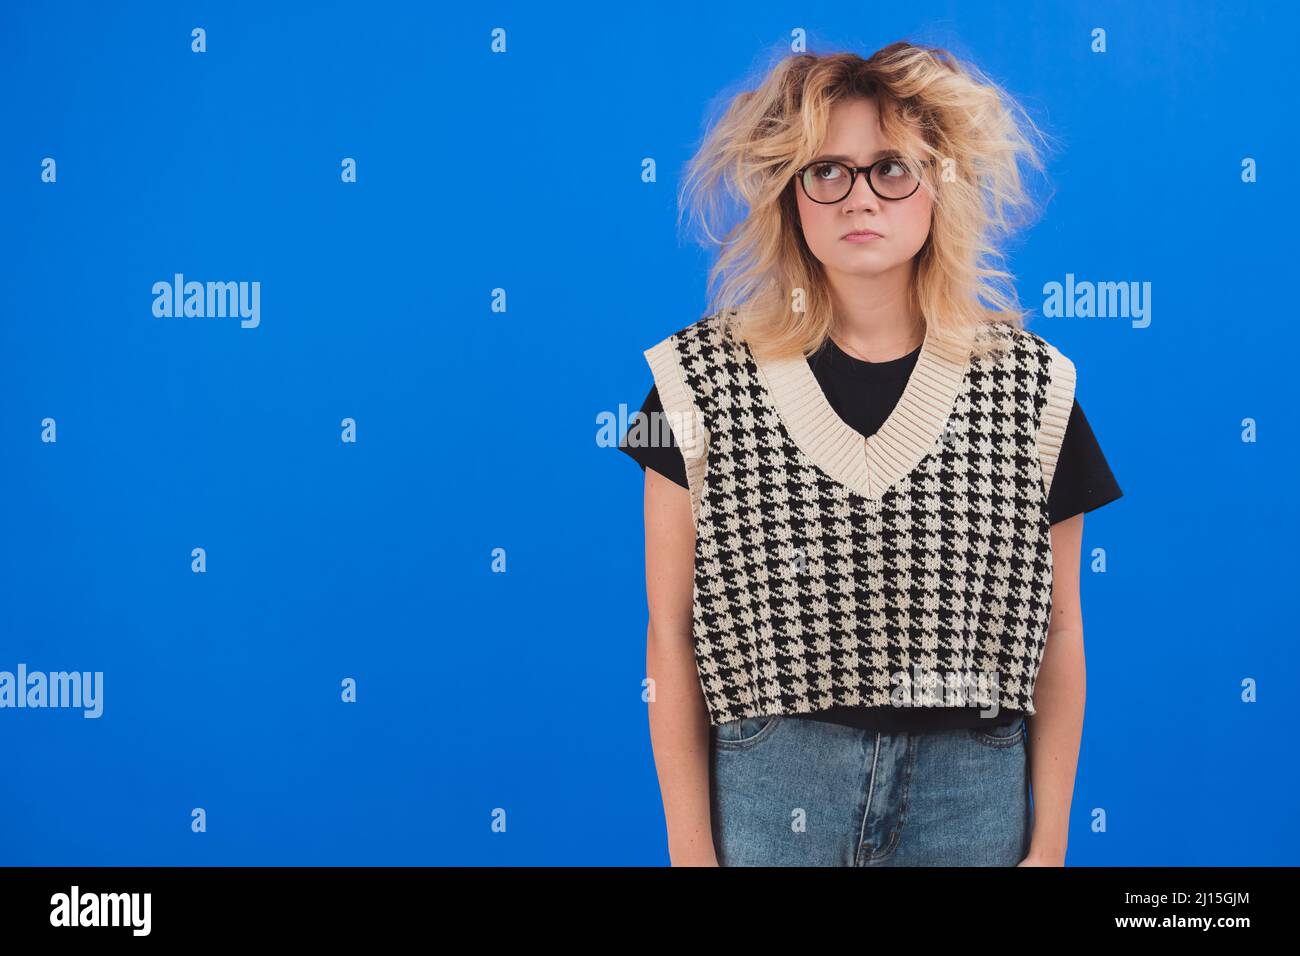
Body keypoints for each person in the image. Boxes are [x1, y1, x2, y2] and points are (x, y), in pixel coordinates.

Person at [619, 42, 1123, 867]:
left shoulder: (1037, 387)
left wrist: (1053, 840)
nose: (861, 198)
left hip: (973, 793)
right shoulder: (688, 384)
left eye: (892, 168)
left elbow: (1062, 631)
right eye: (828, 171)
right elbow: (668, 634)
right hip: (770, 785)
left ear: (939, 186)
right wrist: (689, 848)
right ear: (791, 190)